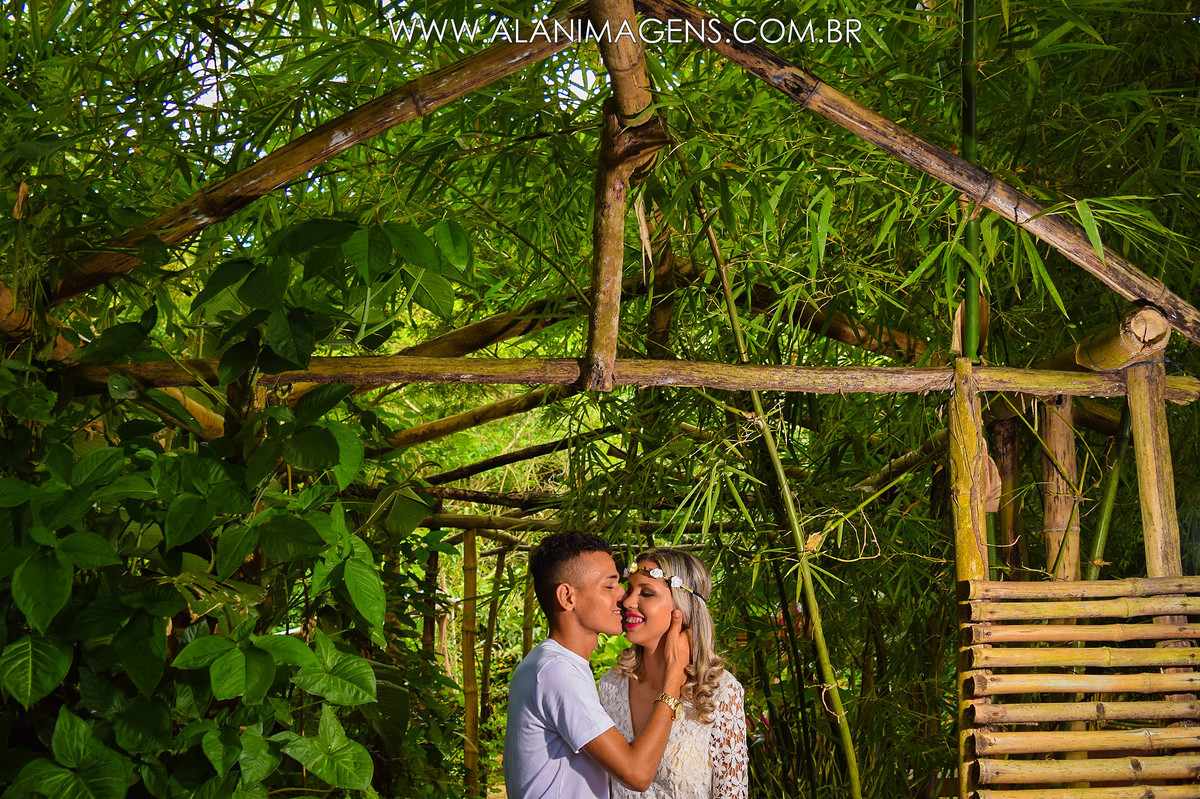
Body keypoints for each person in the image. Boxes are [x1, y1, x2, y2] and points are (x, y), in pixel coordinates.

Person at [504, 532, 691, 799]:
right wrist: (674, 675)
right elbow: (637, 774)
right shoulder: (556, 672)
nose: (624, 597)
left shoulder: (550, 665)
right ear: (567, 597)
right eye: (609, 586)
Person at [598, 549, 748, 799]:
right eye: (630, 590)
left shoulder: (719, 692)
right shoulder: (611, 686)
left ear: (683, 607)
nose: (628, 602)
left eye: (646, 593)